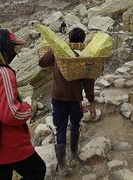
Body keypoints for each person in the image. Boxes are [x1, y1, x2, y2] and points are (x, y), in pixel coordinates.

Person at [0, 28, 46, 180]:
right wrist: (27, 108)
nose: (15, 51)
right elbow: (10, 114)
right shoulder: (2, 73)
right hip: (8, 144)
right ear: (5, 48)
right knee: (37, 171)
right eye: (13, 47)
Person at [38, 27, 96, 176]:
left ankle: (62, 167)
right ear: (83, 41)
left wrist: (54, 49)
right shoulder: (85, 56)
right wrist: (92, 103)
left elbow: (42, 63)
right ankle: (74, 155)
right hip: (74, 98)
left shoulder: (59, 53)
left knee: (60, 129)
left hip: (57, 98)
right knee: (75, 124)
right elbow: (89, 82)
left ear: (69, 40)